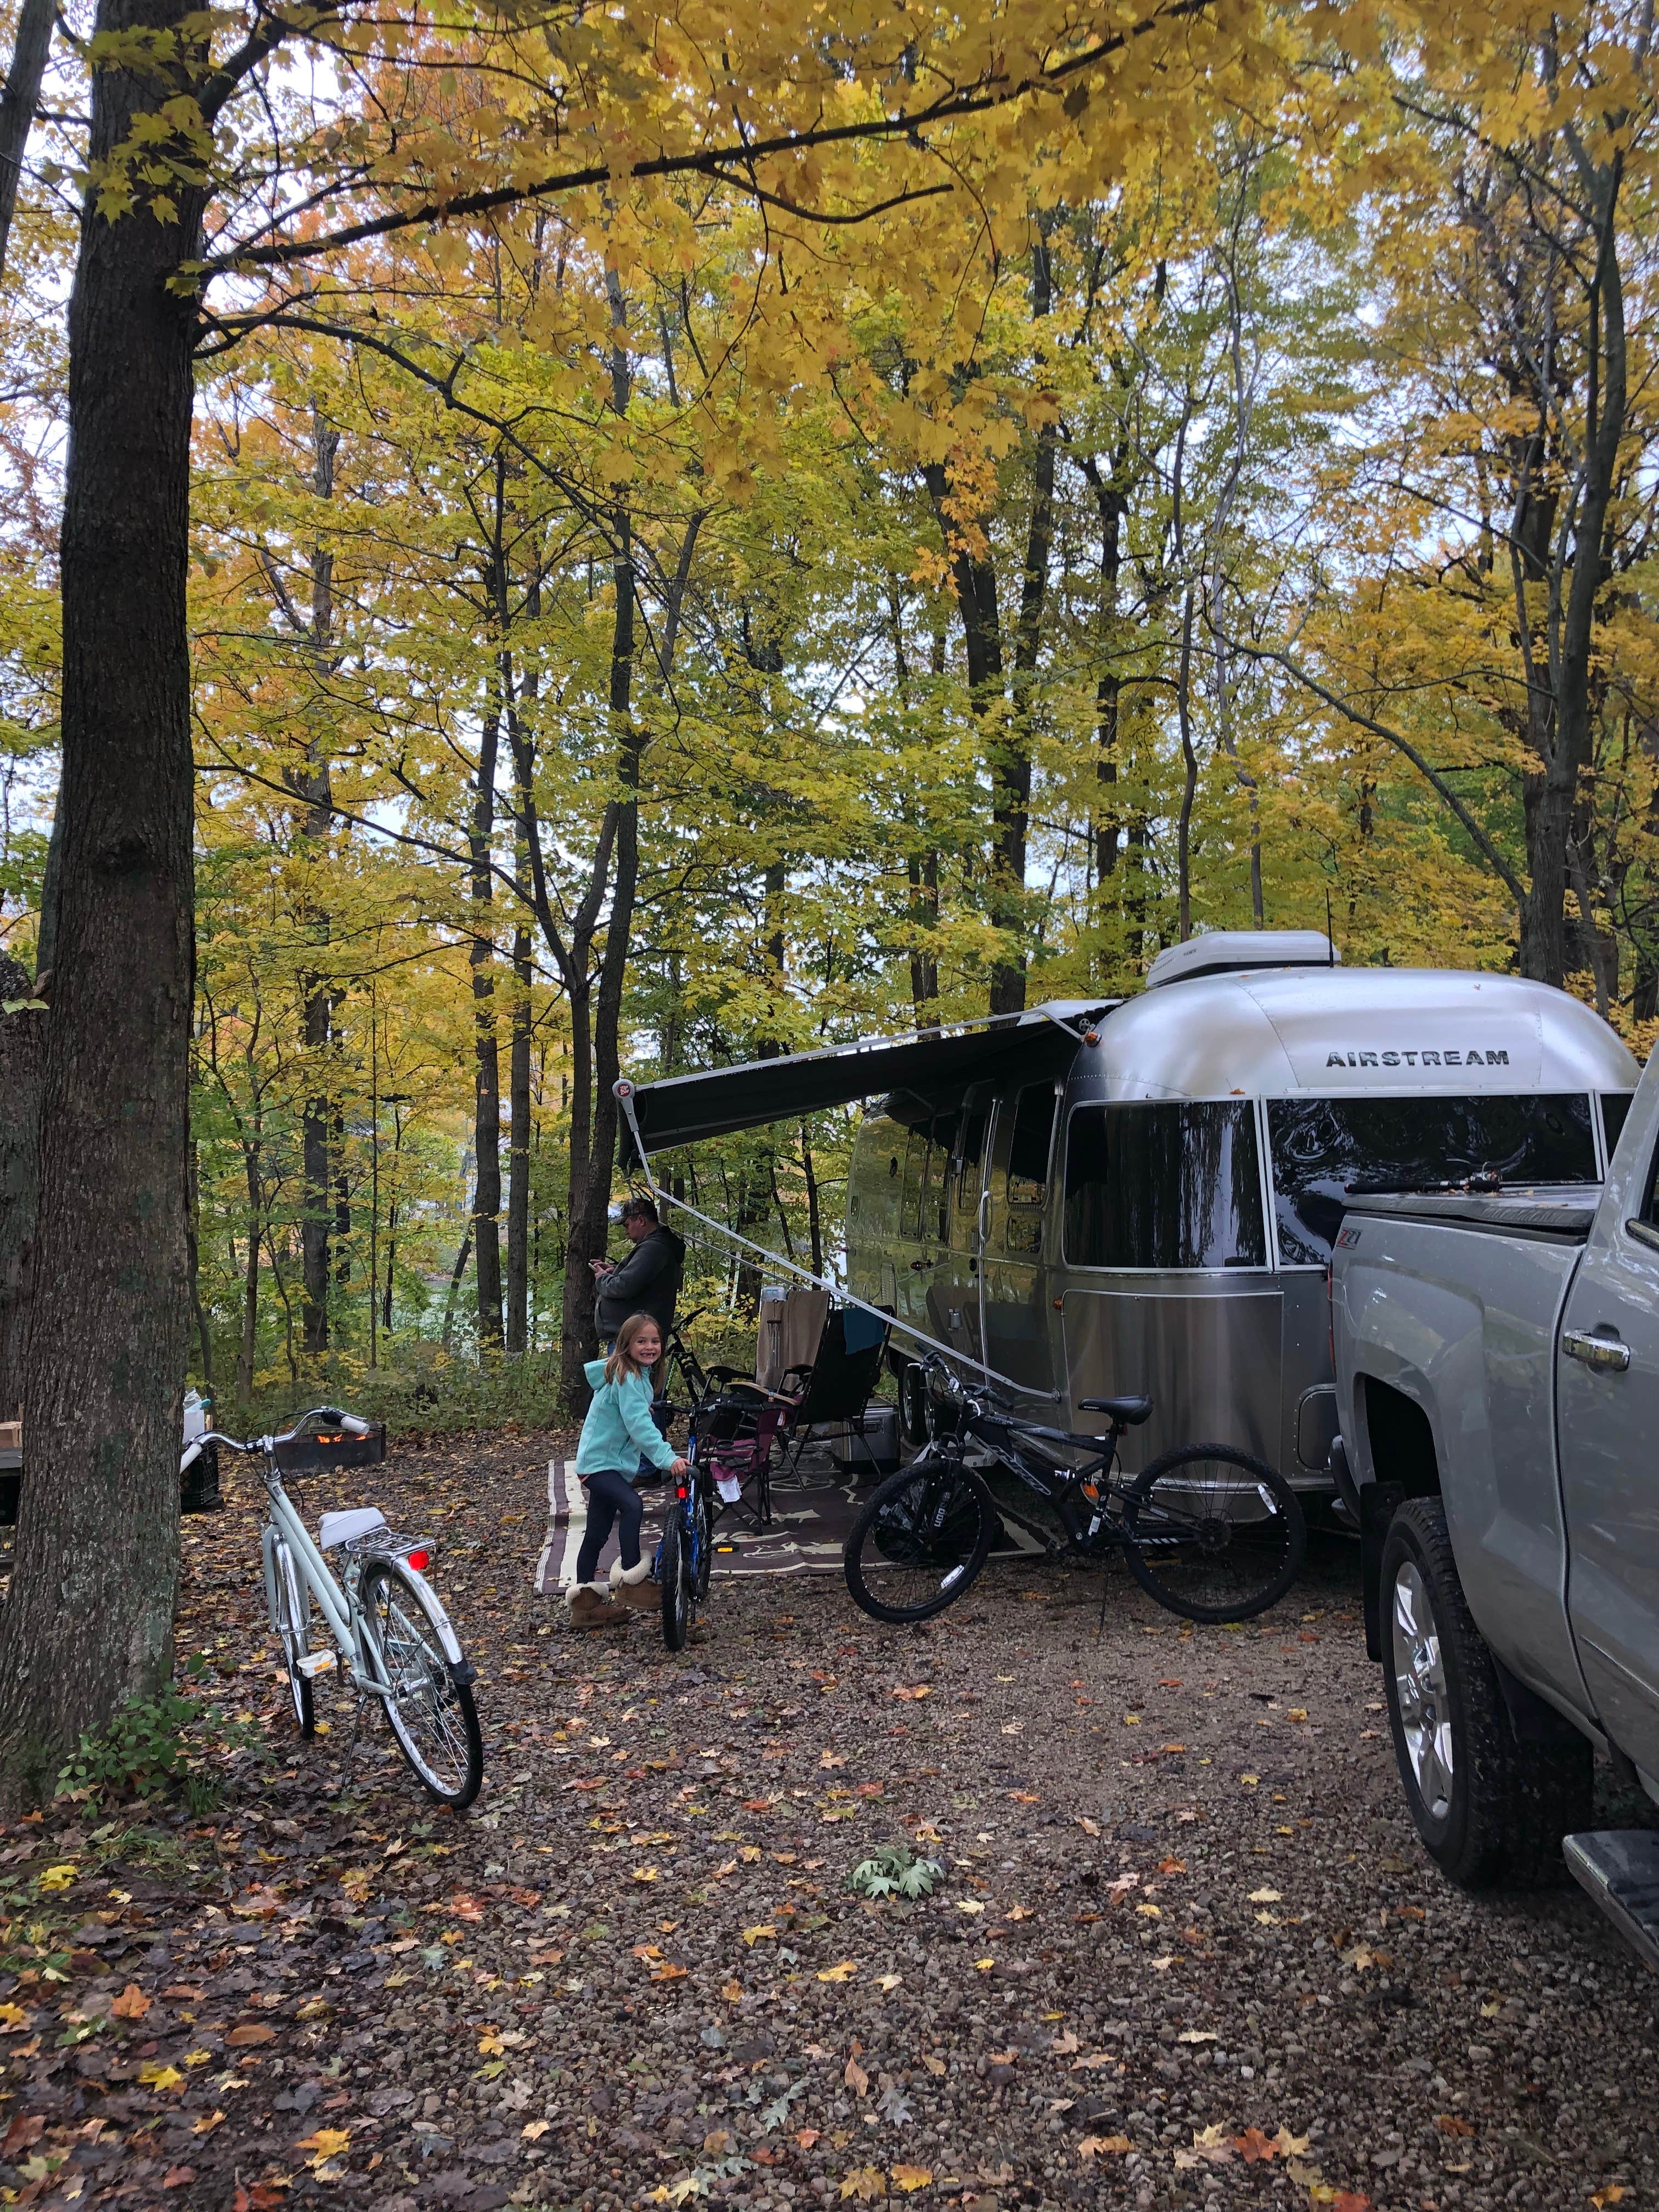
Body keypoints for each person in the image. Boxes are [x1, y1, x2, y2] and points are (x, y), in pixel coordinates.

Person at [567, 1312, 687, 1630]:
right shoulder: (630, 1377)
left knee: (596, 1532)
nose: (650, 1347)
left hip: (606, 1464)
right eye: (642, 1341)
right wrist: (667, 1458)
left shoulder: (633, 1376)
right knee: (633, 1504)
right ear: (626, 1344)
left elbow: (631, 1415)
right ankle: (632, 1581)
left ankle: (585, 1608)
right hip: (601, 1464)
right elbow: (639, 1427)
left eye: (655, 1341)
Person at [591, 1196, 684, 1345]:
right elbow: (641, 1280)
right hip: (636, 1336)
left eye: (627, 1225)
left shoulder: (653, 1249)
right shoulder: (657, 1247)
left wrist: (603, 1278)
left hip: (636, 1339)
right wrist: (613, 1272)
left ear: (641, 1221)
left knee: (630, 1371)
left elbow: (624, 1286)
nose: (626, 1232)